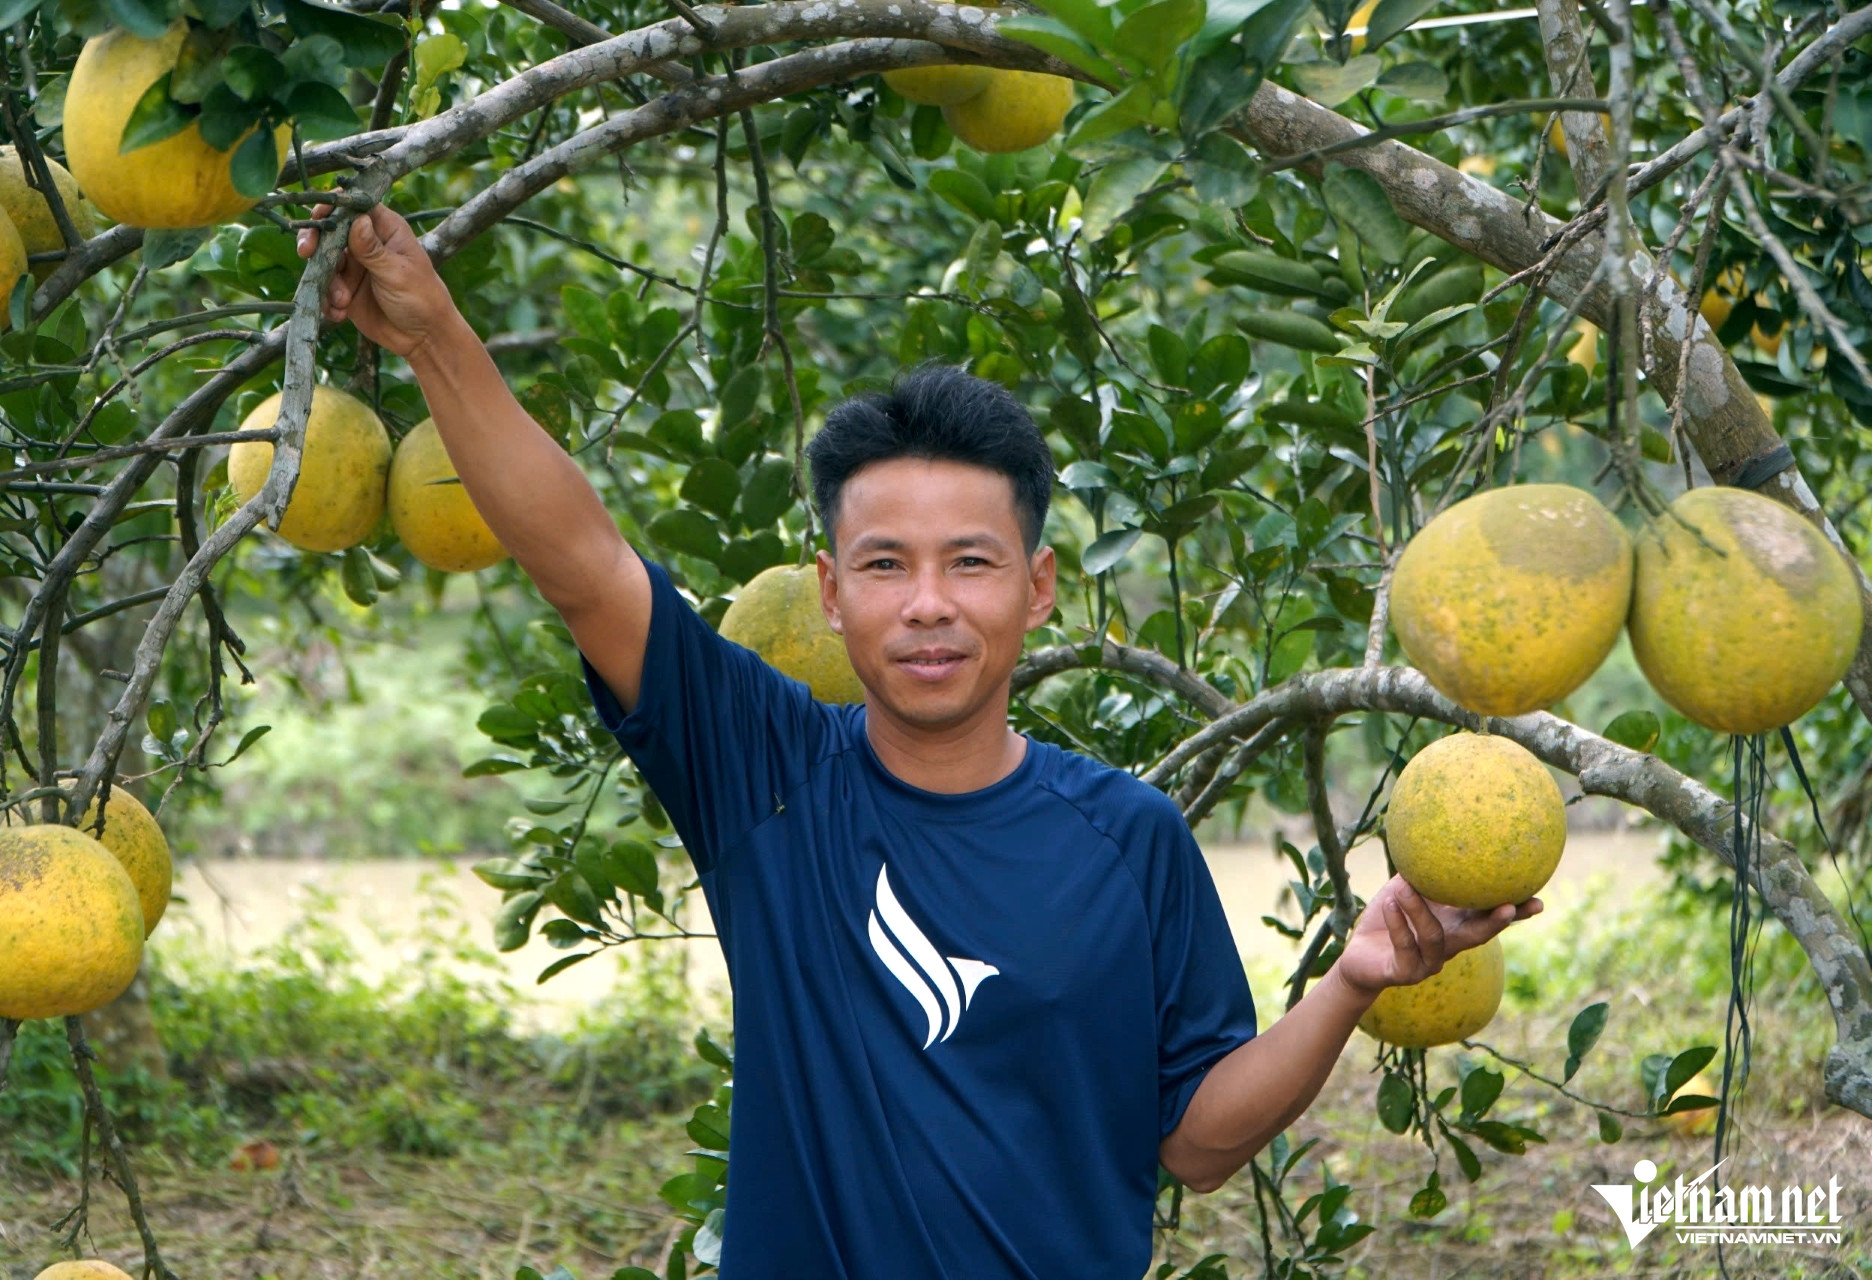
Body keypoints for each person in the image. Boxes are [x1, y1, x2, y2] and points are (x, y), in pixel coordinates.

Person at [298, 206, 1543, 1278]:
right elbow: (582, 563)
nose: (929, 602)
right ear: (831, 592)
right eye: (887, 564)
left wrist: (1353, 981)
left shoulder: (1128, 837)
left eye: (971, 562)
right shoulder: (766, 775)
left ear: (1039, 587)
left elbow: (1198, 1142)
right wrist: (430, 334)